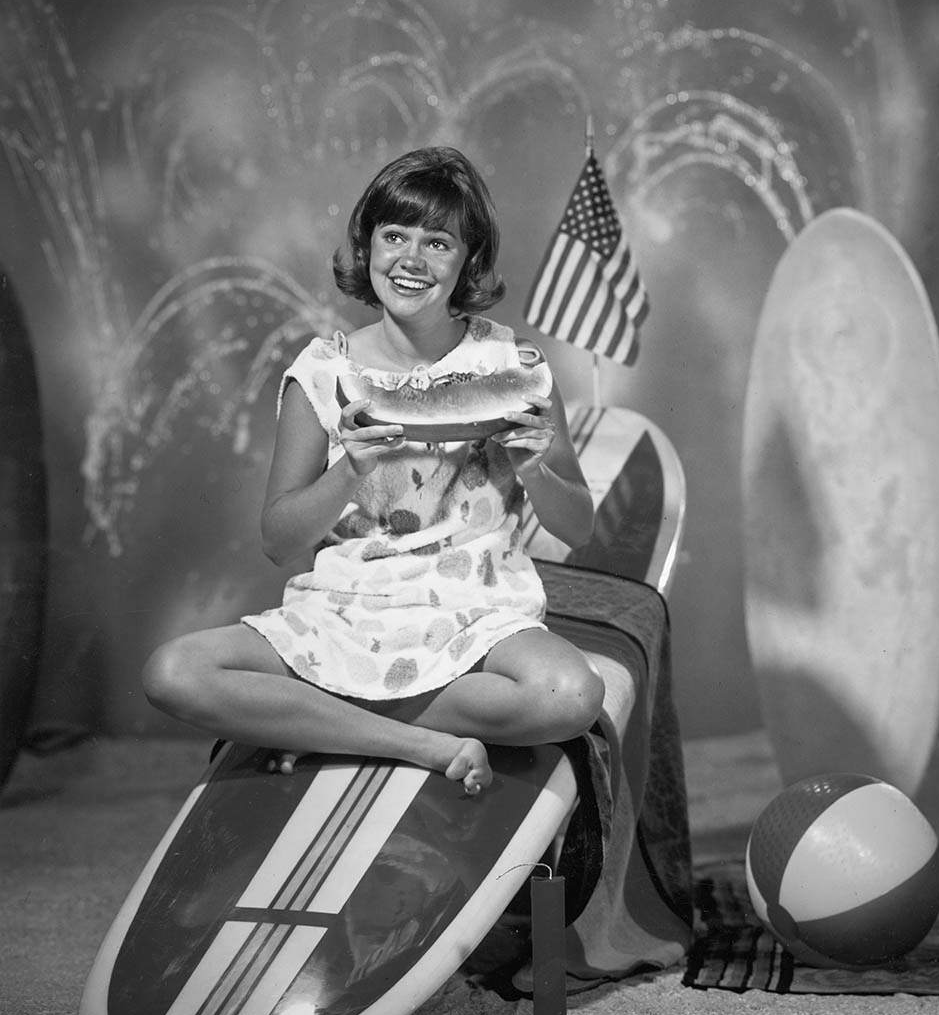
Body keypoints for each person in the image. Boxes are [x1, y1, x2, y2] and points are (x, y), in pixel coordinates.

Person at [143, 145, 603, 794]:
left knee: (571, 692)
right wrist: (349, 470)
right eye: (394, 236)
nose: (411, 260)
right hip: (346, 610)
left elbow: (579, 527)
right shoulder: (322, 373)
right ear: (367, 248)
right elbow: (280, 542)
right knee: (174, 672)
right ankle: (416, 744)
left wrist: (532, 468)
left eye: (438, 242)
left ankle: (315, 722)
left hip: (477, 608)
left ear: (468, 260)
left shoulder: (515, 366)